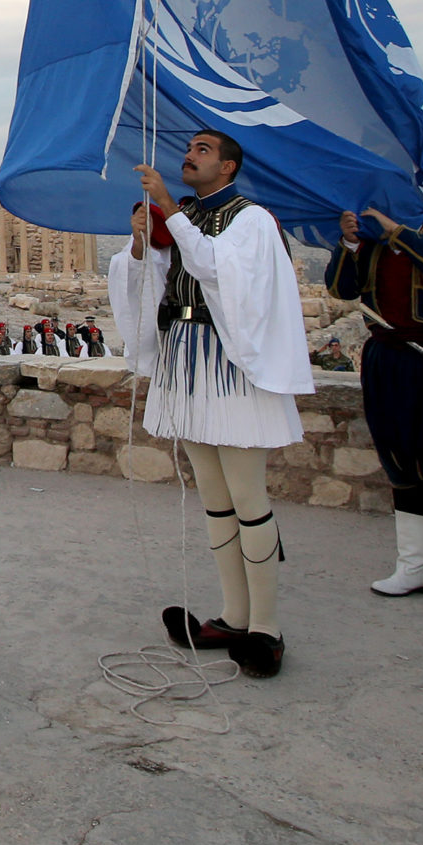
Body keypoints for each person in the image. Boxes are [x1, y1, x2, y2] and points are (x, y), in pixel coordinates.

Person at [106, 131, 313, 678]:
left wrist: (169, 210)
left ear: (228, 167)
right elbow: (150, 278)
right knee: (216, 499)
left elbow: (219, 269)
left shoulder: (251, 219)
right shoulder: (185, 217)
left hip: (230, 364)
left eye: (203, 150)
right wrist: (140, 244)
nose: (190, 155)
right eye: (190, 148)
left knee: (248, 497)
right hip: (184, 358)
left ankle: (266, 627)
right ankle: (233, 615)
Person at [329, 197, 423, 614]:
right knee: (399, 461)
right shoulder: (371, 244)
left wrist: (397, 232)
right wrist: (349, 244)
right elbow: (342, 290)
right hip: (386, 358)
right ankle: (414, 566)